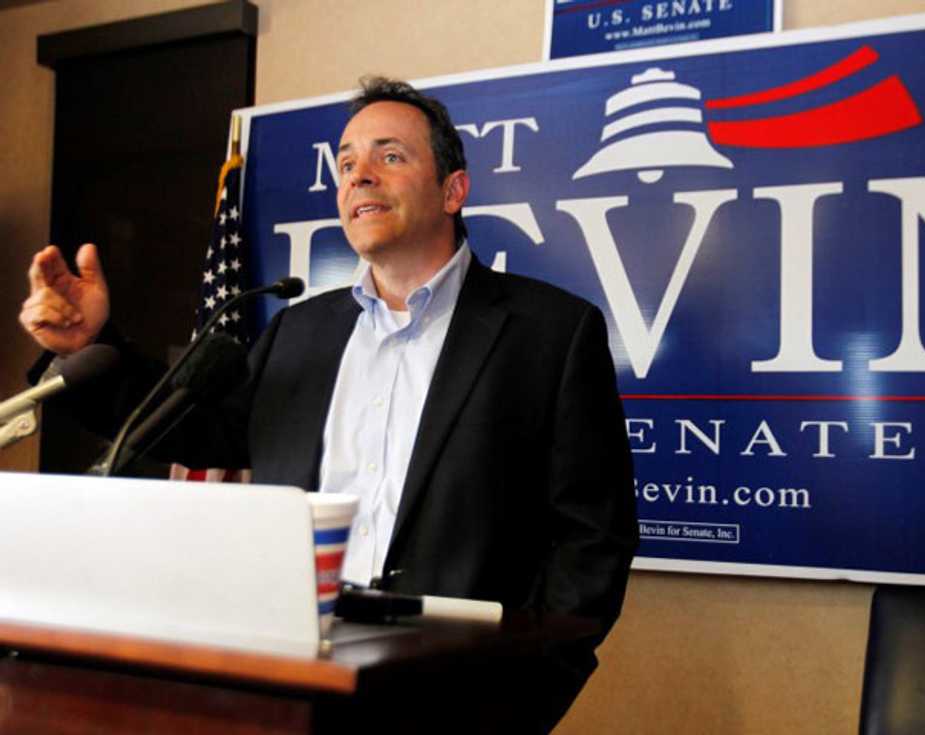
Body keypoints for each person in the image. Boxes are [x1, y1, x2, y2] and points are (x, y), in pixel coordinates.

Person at [20, 78, 637, 730]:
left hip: (459, 695)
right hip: (295, 686)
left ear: (453, 190)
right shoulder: (299, 330)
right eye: (346, 163)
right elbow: (197, 431)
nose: (359, 176)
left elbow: (592, 537)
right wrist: (92, 346)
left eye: (390, 156)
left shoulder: (550, 332)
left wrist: (524, 694)